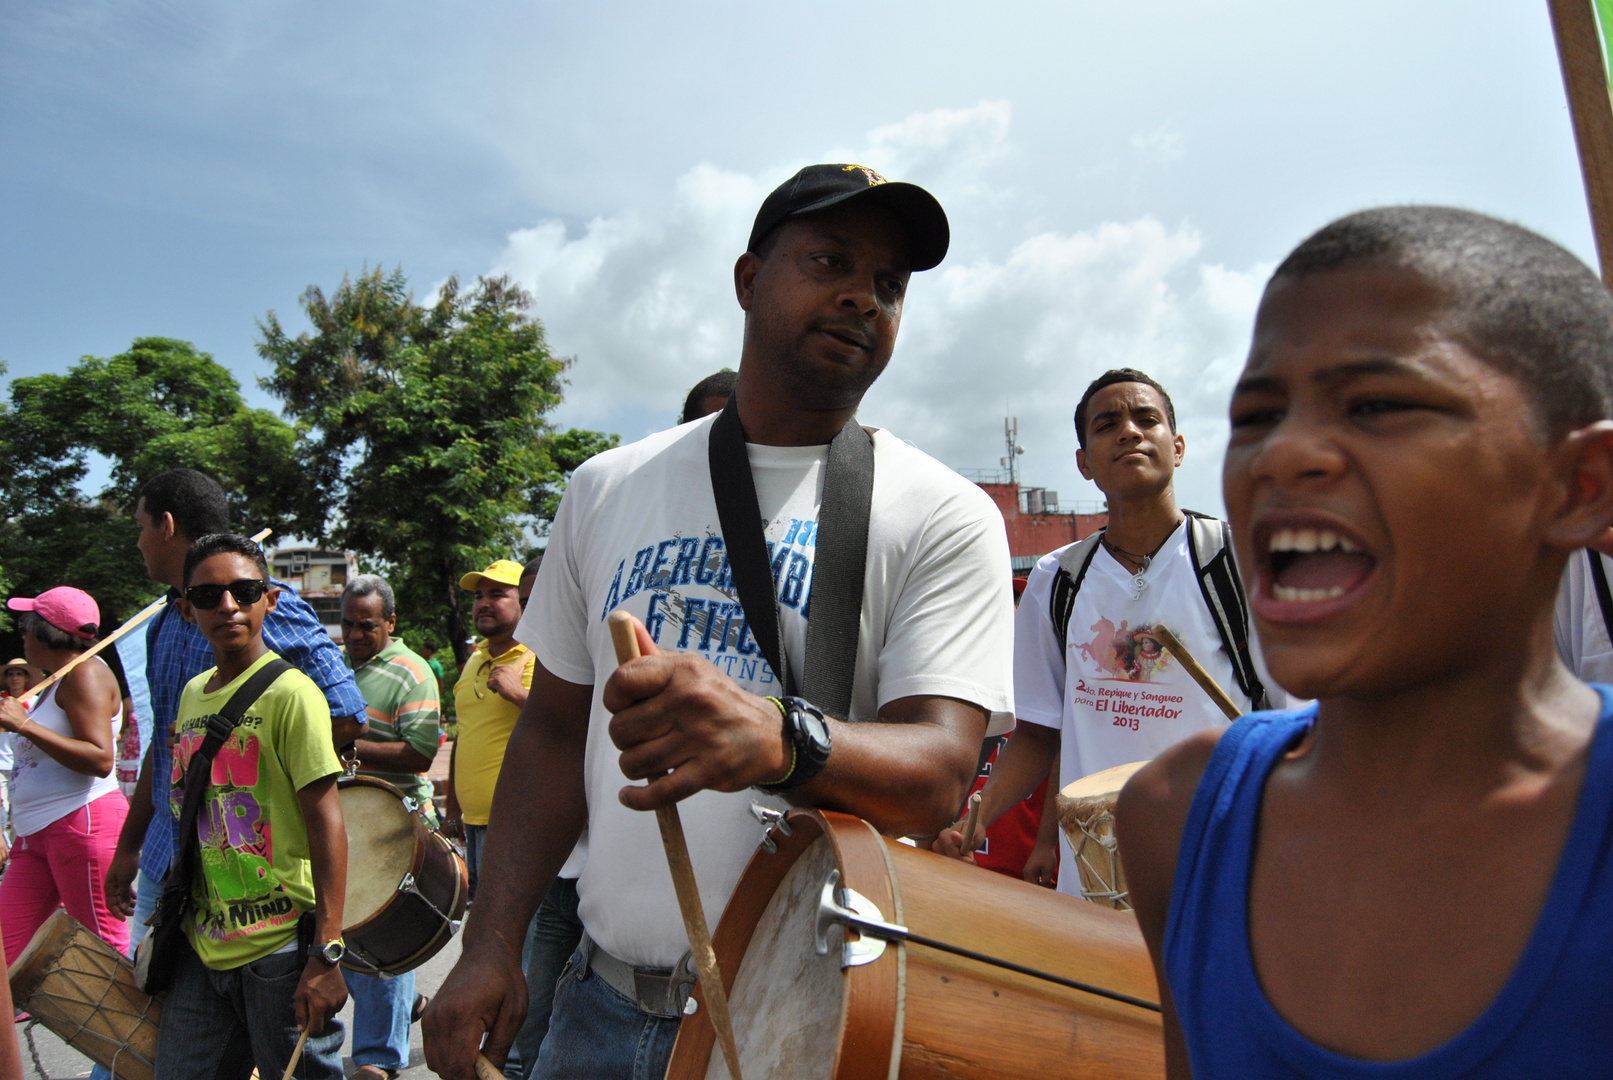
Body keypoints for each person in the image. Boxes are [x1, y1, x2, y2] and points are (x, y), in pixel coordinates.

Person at [423, 162, 1014, 1080]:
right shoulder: (606, 486)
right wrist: (491, 945)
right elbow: (552, 732)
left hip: (811, 1024)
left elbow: (939, 771)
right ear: (748, 280)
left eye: (890, 285)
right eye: (829, 260)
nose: (863, 295)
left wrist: (781, 739)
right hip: (598, 1007)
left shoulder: (943, 512)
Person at [1118, 206, 1613, 1077]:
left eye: (1377, 404)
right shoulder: (1177, 815)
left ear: (1579, 485)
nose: (1283, 455)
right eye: (1257, 414)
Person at [935, 368, 1287, 898]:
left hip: (1225, 861)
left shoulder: (1238, 563)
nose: (1129, 431)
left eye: (1147, 419)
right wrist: (976, 821)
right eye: (1107, 425)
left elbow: (1295, 723)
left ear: (1179, 446)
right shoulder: (1057, 580)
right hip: (1093, 878)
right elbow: (1037, 734)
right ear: (1083, 463)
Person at [105, 468, 367, 955]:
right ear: (189, 610)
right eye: (205, 598)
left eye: (140, 527)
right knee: (156, 1023)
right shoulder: (163, 624)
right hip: (168, 865)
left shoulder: (261, 606)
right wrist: (129, 845)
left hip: (251, 885)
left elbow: (346, 717)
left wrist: (245, 761)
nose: (138, 542)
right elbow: (165, 753)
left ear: (165, 525)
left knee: (263, 1023)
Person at [154, 533, 348, 1080]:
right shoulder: (193, 694)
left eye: (245, 590)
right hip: (203, 943)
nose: (229, 606)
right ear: (187, 608)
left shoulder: (293, 694)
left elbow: (328, 824)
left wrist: (327, 952)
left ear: (271, 600)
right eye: (210, 595)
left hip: (281, 952)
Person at [340, 573, 441, 1080]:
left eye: (368, 625)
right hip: (347, 819)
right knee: (345, 936)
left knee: (381, 934)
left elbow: (421, 752)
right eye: (348, 625)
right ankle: (406, 1006)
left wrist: (344, 748)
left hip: (398, 822)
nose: (356, 635)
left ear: (391, 623)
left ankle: (378, 1059)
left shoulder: (410, 670)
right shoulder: (335, 668)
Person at [0, 588, 129, 968]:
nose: (22, 638)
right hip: (37, 834)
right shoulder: (57, 680)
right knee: (8, 952)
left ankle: (134, 1031)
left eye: (26, 629)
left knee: (103, 956)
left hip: (80, 826)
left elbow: (100, 757)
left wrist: (24, 725)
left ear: (44, 634)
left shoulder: (85, 673)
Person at [442, 559, 535, 899]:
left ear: (525, 602)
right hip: (474, 823)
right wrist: (453, 810)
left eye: (497, 594)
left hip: (520, 823)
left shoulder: (543, 657)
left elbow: (568, 724)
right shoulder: (474, 661)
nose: (482, 603)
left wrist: (518, 694)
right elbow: (464, 737)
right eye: (478, 596)